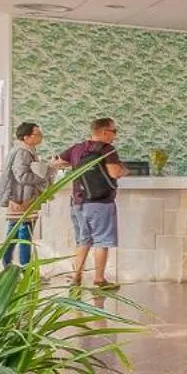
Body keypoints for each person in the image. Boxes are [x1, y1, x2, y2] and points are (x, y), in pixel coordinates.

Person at [54, 117, 126, 289]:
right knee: (101, 241)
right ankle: (99, 280)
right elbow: (114, 173)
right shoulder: (107, 149)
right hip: (100, 202)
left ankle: (75, 277)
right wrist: (125, 169)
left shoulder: (77, 148)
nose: (114, 136)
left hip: (77, 202)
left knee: (83, 240)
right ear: (103, 132)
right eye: (113, 131)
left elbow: (56, 163)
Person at [0, 121, 50, 267]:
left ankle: (9, 266)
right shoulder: (23, 152)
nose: (41, 136)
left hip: (20, 199)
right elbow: (22, 176)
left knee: (15, 234)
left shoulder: (25, 150)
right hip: (21, 201)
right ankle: (25, 269)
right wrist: (43, 175)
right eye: (37, 134)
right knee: (24, 235)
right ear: (26, 137)